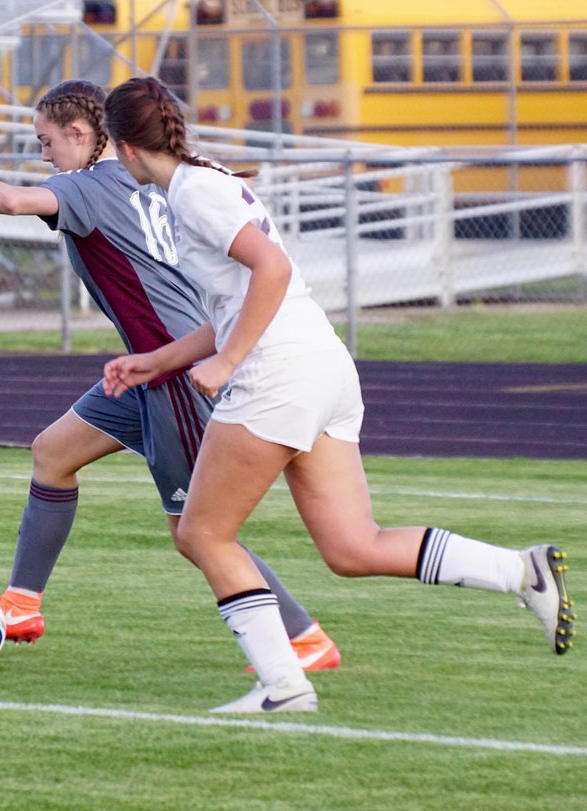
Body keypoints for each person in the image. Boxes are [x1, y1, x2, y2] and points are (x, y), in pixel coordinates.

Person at [101, 76, 576, 713]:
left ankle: (283, 685)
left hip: (279, 374)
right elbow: (239, 300)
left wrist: (229, 362)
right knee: (353, 547)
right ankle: (522, 572)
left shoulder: (192, 194)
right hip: (321, 364)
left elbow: (272, 270)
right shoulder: (202, 178)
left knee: (202, 534)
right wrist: (156, 361)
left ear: (124, 147)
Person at [0, 79, 340, 672]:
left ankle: (302, 636)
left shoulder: (90, 187)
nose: (43, 156)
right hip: (147, 368)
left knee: (198, 529)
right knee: (52, 452)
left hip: (173, 372)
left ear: (80, 134)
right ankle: (21, 604)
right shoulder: (135, 177)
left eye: (47, 142)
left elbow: (11, 201)